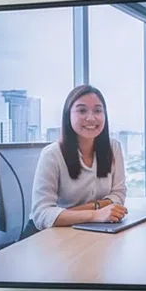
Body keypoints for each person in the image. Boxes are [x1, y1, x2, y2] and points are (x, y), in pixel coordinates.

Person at [30, 84, 127, 230]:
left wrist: (78, 211)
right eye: (82, 110)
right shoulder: (52, 154)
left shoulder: (114, 148)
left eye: (98, 111)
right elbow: (41, 214)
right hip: (52, 235)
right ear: (68, 114)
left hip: (93, 231)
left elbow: (118, 194)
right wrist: (96, 214)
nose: (91, 117)